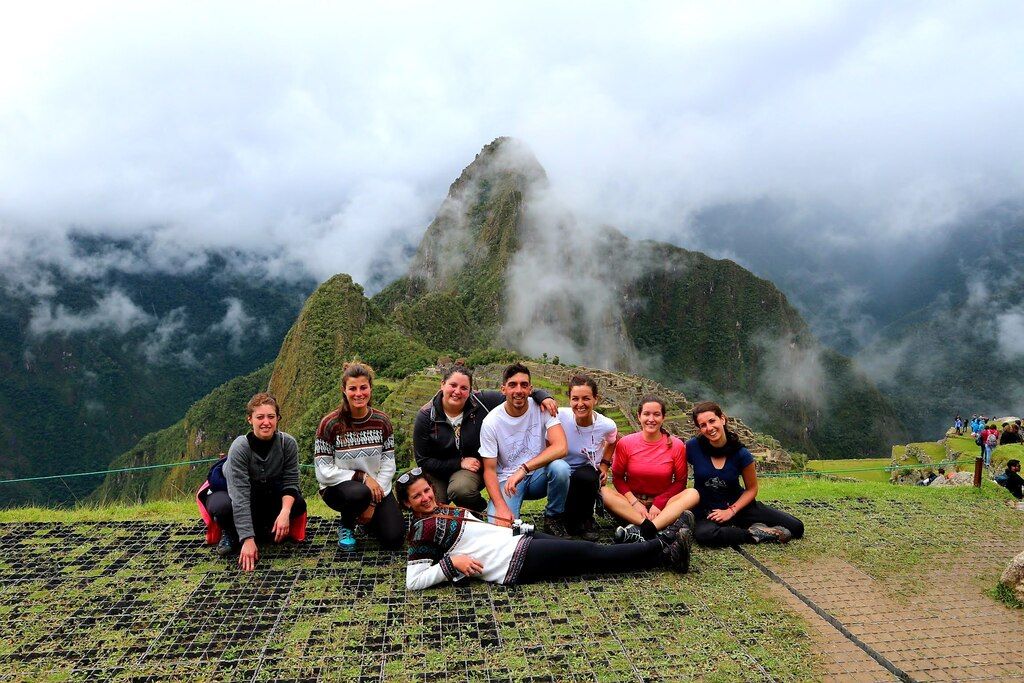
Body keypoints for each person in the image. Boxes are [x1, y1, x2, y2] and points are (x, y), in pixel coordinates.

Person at [398, 469, 693, 589]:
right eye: (417, 497)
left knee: (584, 558)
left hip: (514, 540)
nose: (425, 498)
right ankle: (662, 545)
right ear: (408, 505)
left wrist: (514, 527)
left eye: (426, 491)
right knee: (589, 553)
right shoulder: (422, 530)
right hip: (510, 560)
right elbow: (413, 580)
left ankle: (665, 555)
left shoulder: (441, 510)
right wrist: (453, 563)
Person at [412, 362, 556, 513]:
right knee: (433, 509)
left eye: (464, 388)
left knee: (461, 489)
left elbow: (515, 392)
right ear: (442, 385)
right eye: (453, 385)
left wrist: (543, 396)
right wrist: (459, 463)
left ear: (471, 391)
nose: (457, 391)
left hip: (473, 470)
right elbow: (422, 460)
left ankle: (478, 510)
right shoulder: (426, 416)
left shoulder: (482, 401)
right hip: (438, 470)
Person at [203, 392, 307, 571]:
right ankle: (231, 531)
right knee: (223, 507)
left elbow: (291, 483)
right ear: (250, 419)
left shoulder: (287, 444)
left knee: (296, 504)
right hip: (229, 490)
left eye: (271, 417)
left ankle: (264, 527)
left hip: (263, 489)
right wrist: (248, 540)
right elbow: (240, 495)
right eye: (260, 417)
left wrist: (284, 513)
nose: (266, 422)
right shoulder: (240, 447)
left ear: (278, 419)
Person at [687, 401, 804, 547]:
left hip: (739, 505)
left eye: (712, 421)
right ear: (699, 429)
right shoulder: (693, 447)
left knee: (797, 527)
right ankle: (754, 533)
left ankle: (741, 523)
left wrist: (731, 511)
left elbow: (752, 489)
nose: (709, 428)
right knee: (704, 535)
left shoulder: (741, 454)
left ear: (722, 419)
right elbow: (670, 456)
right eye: (703, 425)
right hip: (708, 509)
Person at [314, 362, 403, 550]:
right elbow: (323, 471)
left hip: (376, 488)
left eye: (363, 387)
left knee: (394, 539)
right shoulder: (330, 424)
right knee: (359, 492)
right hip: (339, 489)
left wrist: (372, 502)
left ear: (370, 388)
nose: (359, 394)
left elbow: (388, 463)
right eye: (352, 388)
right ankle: (347, 525)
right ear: (344, 390)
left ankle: (366, 521)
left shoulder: (381, 421)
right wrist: (363, 478)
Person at [480, 362, 570, 536]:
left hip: (537, 475)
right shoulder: (491, 422)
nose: (519, 390)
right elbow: (489, 471)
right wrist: (500, 507)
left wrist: (524, 468)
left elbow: (561, 446)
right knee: (501, 532)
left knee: (561, 468)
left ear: (530, 389)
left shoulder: (542, 408)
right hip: (508, 482)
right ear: (503, 389)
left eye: (524, 385)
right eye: (512, 385)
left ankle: (553, 517)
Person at [601, 395, 700, 544]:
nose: (651, 419)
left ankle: (644, 529)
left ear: (663, 417)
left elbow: (680, 482)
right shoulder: (626, 443)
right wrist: (635, 503)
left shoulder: (677, 446)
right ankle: (652, 528)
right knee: (602, 491)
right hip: (631, 505)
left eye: (656, 414)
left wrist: (659, 503)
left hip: (662, 507)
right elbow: (618, 478)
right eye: (646, 414)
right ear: (639, 416)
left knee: (693, 493)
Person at [558, 374, 620, 540]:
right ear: (569, 399)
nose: (580, 404)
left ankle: (587, 518)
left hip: (586, 473)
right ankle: (560, 518)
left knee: (586, 475)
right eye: (575, 399)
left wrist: (605, 466)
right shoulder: (560, 415)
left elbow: (612, 441)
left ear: (595, 399)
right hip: (560, 471)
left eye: (586, 398)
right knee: (560, 471)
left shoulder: (606, 425)